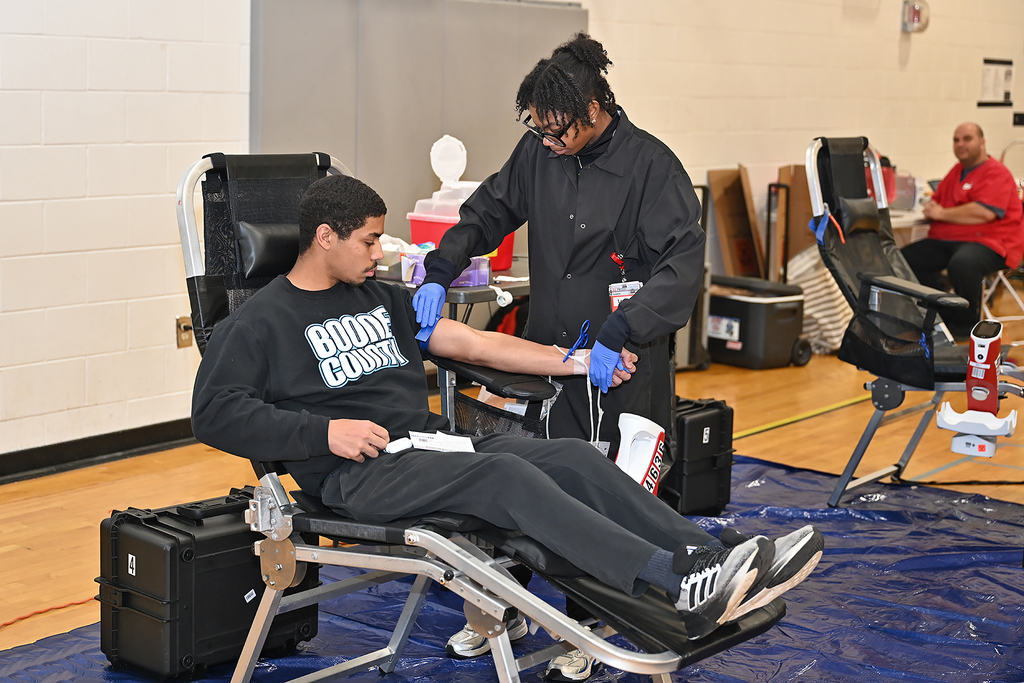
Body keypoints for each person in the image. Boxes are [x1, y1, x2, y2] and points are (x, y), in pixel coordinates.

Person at [191, 174, 823, 661]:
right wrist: (323, 432)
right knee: (507, 483)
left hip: (427, 449)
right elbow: (213, 413)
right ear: (325, 237)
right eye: (369, 239)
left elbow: (473, 345)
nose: (379, 252)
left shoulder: (379, 296)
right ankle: (669, 581)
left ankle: (711, 557)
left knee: (573, 455)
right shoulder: (261, 321)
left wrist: (574, 363)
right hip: (357, 474)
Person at [413, 33, 705, 458]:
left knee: (615, 492)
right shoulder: (539, 152)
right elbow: (486, 214)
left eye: (556, 131)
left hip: (620, 362)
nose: (547, 141)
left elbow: (681, 267)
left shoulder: (652, 169)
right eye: (538, 129)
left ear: (591, 109)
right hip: (546, 356)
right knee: (545, 484)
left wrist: (624, 325)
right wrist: (440, 271)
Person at [901, 122, 1024, 340]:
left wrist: (940, 214)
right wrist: (931, 207)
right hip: (950, 238)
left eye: (967, 139)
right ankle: (943, 310)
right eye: (956, 140)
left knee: (963, 263)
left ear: (982, 142)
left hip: (992, 241)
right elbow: (938, 202)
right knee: (903, 259)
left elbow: (984, 212)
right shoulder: (956, 172)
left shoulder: (997, 173)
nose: (960, 144)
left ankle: (966, 324)